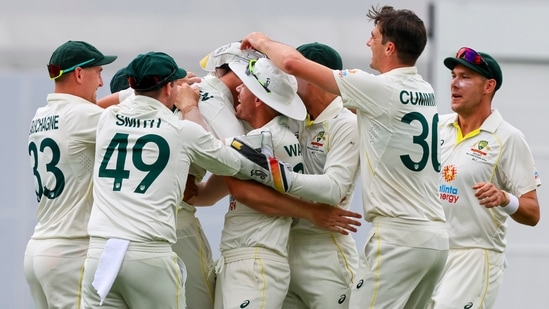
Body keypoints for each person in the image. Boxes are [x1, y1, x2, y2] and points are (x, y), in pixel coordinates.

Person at [240, 5, 449, 308]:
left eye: (373, 37)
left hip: (398, 237)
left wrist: (260, 41)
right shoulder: (424, 89)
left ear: (390, 47)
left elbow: (290, 62)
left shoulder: (378, 88)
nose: (368, 43)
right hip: (435, 239)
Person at [79, 51, 298, 309]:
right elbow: (229, 162)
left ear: (130, 86)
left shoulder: (106, 120)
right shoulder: (182, 130)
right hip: (149, 253)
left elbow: (110, 106)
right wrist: (190, 107)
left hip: (101, 255)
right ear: (170, 87)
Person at [428, 47, 541, 309]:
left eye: (465, 77)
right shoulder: (438, 126)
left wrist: (505, 198)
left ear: (489, 86)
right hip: (431, 252)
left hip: (474, 258)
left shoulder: (508, 138)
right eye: (454, 75)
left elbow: (532, 212)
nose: (454, 83)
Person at [24, 40, 117, 309]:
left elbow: (92, 114)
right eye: (98, 72)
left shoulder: (42, 115)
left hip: (39, 249)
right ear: (78, 73)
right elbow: (133, 122)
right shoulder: (79, 115)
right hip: (70, 252)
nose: (101, 82)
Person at [211, 57, 305, 309]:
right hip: (245, 259)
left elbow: (208, 149)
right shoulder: (270, 136)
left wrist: (191, 105)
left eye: (245, 85)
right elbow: (205, 196)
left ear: (259, 99)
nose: (237, 90)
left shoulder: (266, 139)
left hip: (255, 261)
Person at [282, 42, 360, 309]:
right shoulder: (290, 117)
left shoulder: (346, 124)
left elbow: (333, 189)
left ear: (311, 77)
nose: (287, 81)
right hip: (284, 248)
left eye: (293, 74)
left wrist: (275, 177)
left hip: (326, 251)